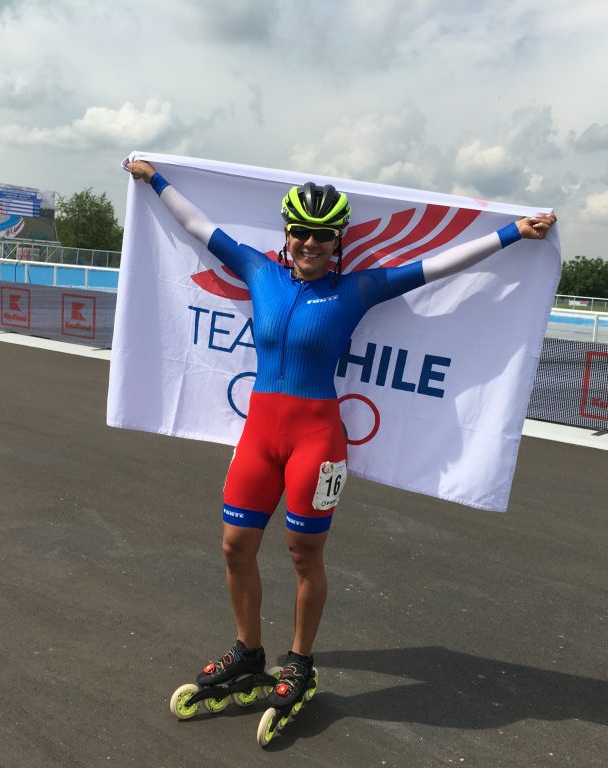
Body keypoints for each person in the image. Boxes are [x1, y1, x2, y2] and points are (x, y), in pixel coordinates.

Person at [125, 159, 556, 710]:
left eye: (322, 236)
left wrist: (511, 234)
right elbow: (198, 227)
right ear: (287, 233)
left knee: (303, 554)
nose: (310, 243)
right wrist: (154, 180)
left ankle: (300, 663)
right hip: (259, 436)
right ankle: (249, 652)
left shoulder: (356, 290)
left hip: (317, 441)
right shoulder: (258, 270)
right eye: (301, 233)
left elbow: (436, 266)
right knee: (235, 547)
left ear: (337, 242)